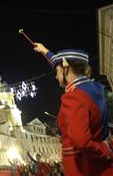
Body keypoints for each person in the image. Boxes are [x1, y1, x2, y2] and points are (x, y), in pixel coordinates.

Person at [34, 43, 113, 175]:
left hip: (85, 168)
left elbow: (82, 142)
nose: (55, 75)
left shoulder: (74, 97)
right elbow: (61, 62)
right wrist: (45, 51)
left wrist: (106, 150)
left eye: (57, 71)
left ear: (65, 69)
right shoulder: (94, 88)